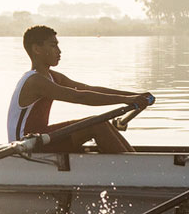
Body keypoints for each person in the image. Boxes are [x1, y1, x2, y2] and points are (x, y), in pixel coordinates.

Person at [9, 25, 154, 153]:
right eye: (53, 46)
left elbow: (89, 89)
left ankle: (133, 160)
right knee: (96, 125)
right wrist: (126, 100)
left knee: (100, 122)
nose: (59, 51)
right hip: (26, 145)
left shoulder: (52, 76)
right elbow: (80, 97)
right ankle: (132, 168)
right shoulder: (35, 81)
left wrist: (135, 96)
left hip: (42, 138)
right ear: (36, 49)